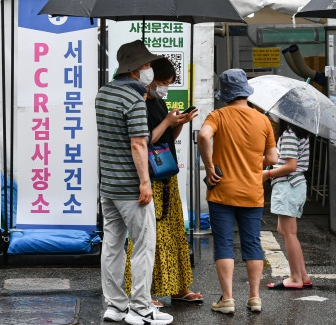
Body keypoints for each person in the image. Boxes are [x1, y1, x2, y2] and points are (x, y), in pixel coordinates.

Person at [95, 40, 173, 325]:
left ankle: (115, 306)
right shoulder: (133, 99)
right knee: (143, 245)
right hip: (131, 186)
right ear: (136, 69)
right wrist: (144, 183)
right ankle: (141, 307)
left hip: (109, 185)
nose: (150, 70)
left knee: (112, 246)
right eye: (148, 65)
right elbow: (139, 144)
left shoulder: (103, 94)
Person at [197, 69, 278, 315]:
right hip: (252, 191)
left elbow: (203, 135)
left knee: (223, 243)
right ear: (245, 92)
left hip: (222, 189)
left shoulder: (217, 116)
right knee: (251, 242)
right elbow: (273, 157)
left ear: (225, 94)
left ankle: (228, 299)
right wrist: (252, 162)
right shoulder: (262, 119)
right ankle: (255, 298)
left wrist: (209, 166)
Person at [123, 57, 203, 306]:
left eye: (168, 83)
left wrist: (178, 124)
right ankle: (143, 292)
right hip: (149, 177)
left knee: (174, 233)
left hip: (166, 173)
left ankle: (178, 287)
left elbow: (166, 137)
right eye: (162, 82)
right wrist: (167, 122)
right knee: (149, 235)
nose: (164, 87)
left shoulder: (158, 101)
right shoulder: (138, 102)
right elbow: (144, 140)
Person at [264, 120, 313, 289]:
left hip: (288, 185)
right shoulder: (298, 131)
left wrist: (268, 173)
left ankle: (295, 278)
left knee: (289, 232)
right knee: (284, 230)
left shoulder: (290, 133)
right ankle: (303, 275)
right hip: (293, 186)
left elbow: (290, 166)